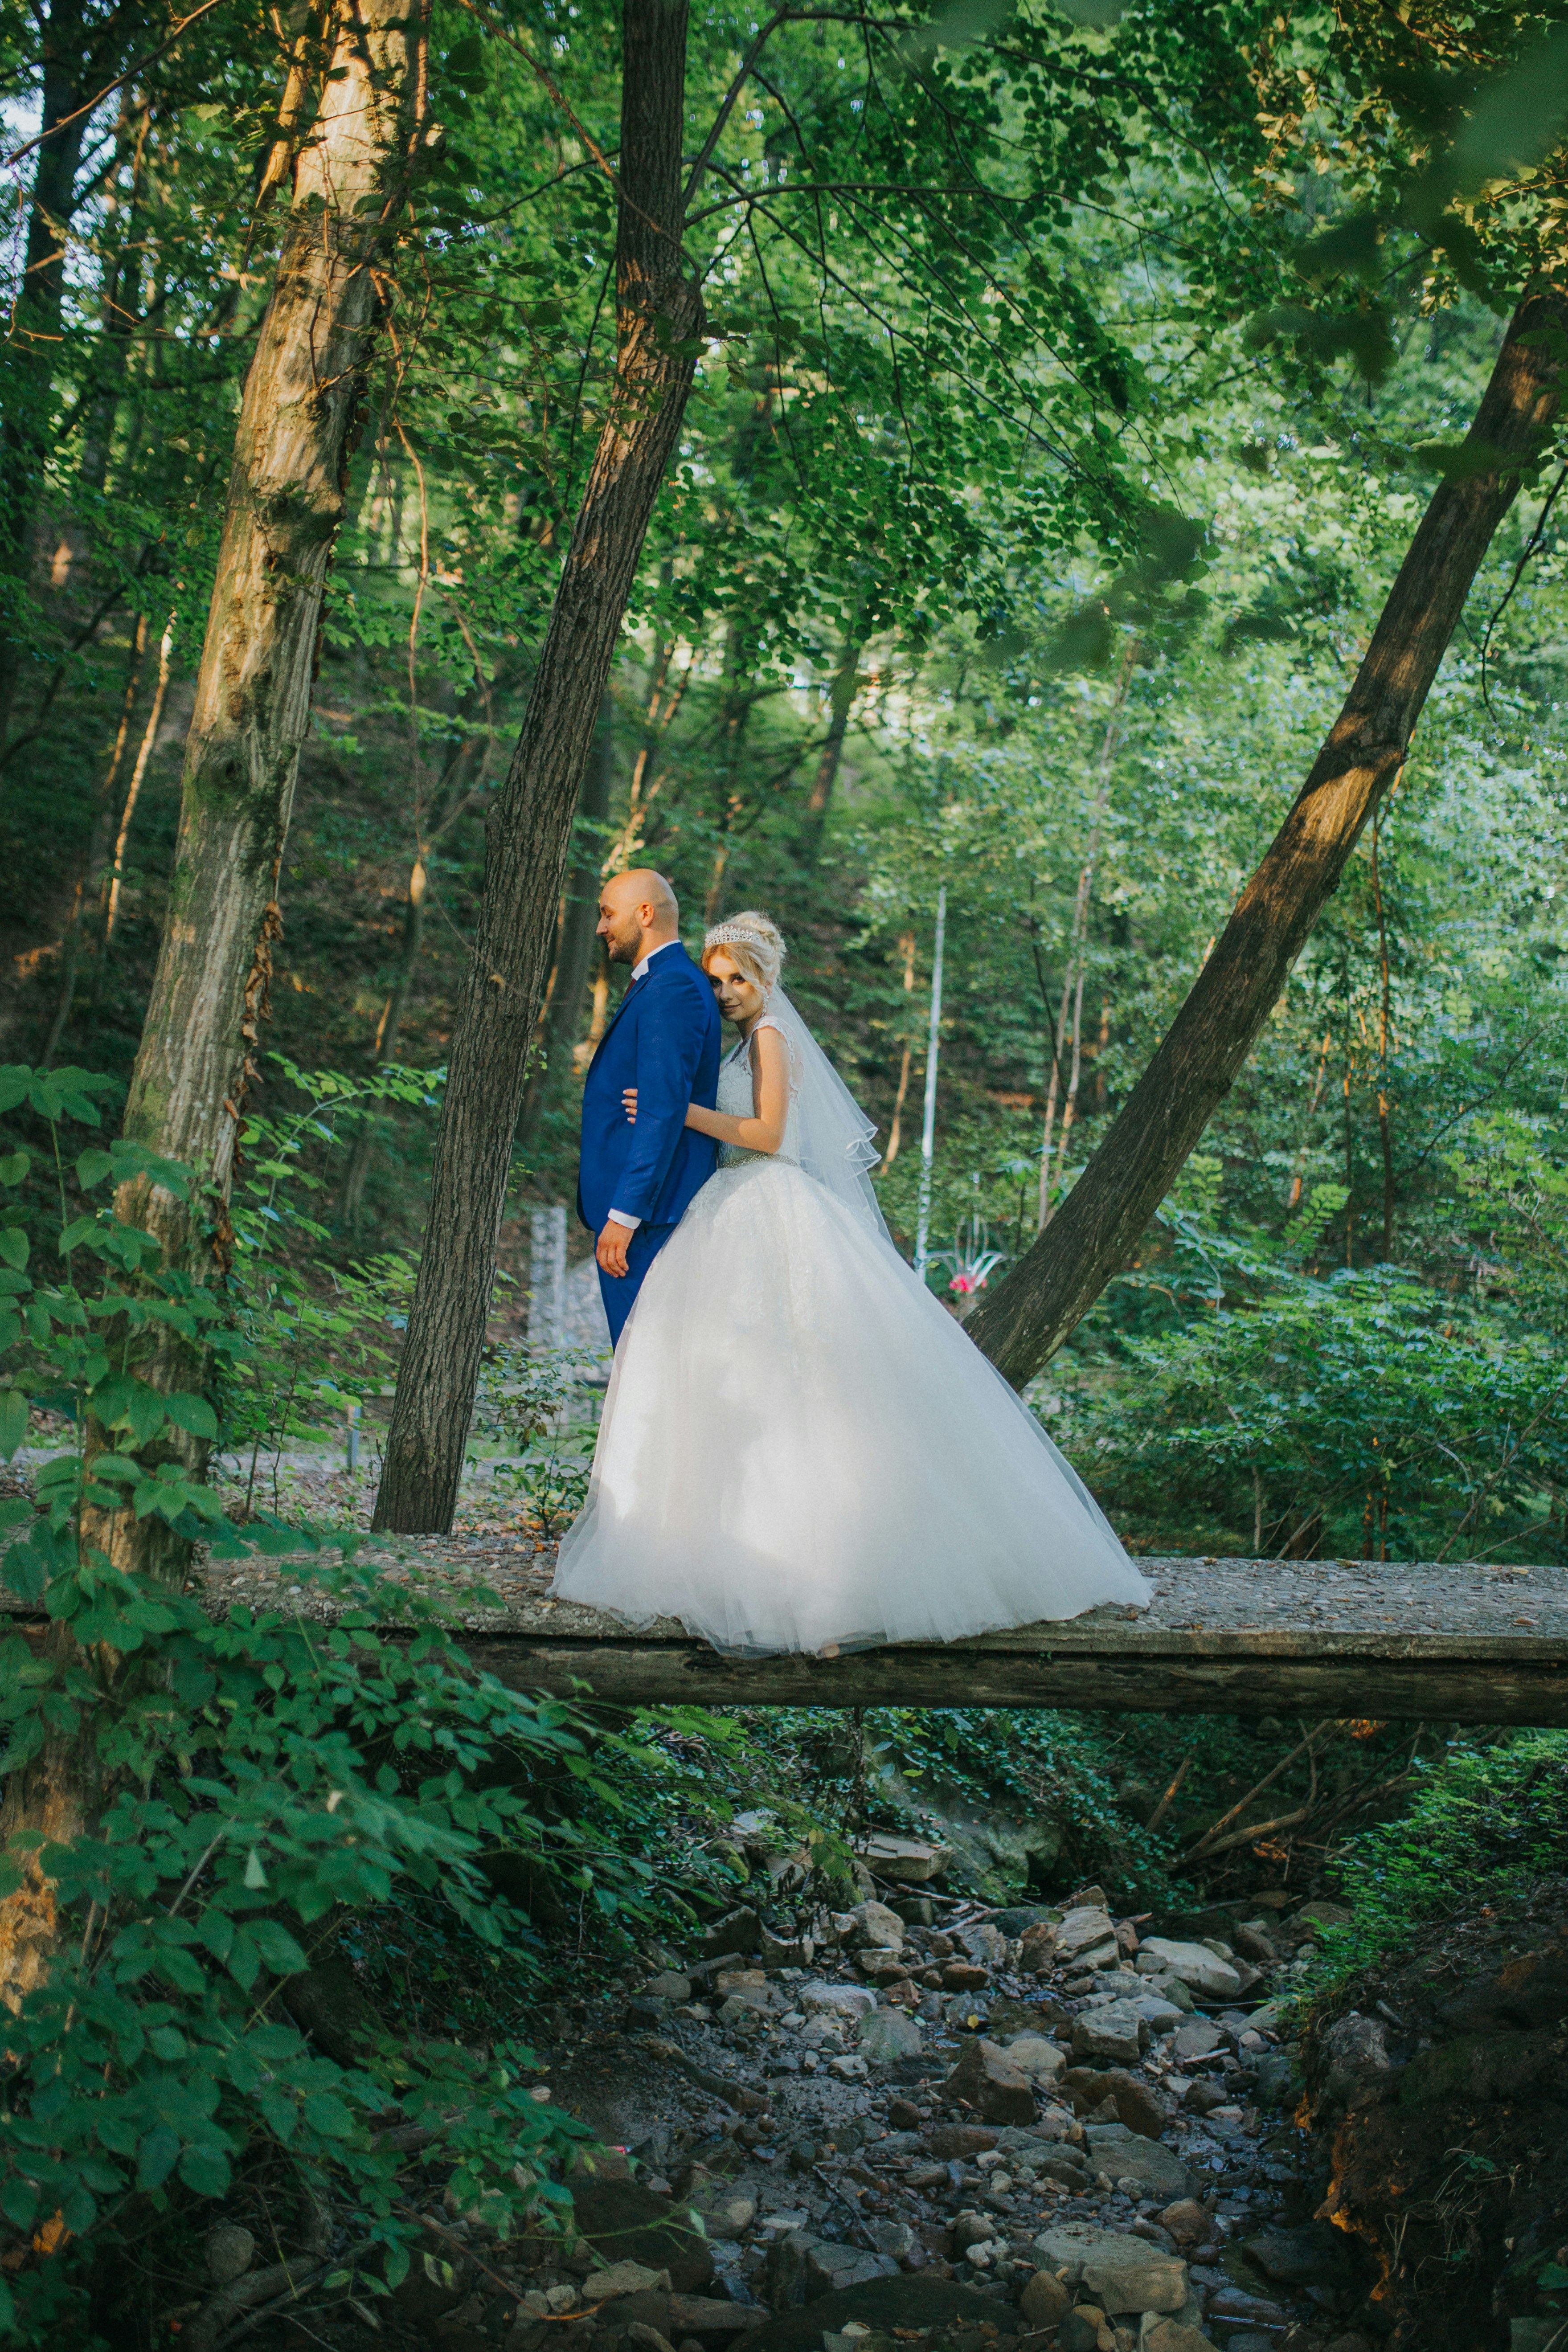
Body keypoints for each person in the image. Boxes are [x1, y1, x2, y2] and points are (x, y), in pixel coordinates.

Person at [553, 910, 1149, 1654]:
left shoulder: (769, 1037)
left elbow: (769, 1134)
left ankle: (820, 1585)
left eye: (740, 977)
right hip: (730, 1208)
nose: (728, 990)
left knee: (799, 1385)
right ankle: (739, 1557)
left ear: (768, 979)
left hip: (770, 1203)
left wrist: (679, 1114)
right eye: (716, 979)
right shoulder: (738, 1042)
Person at [576, 869, 722, 1346]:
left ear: (645, 913)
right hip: (644, 1215)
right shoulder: (662, 982)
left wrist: (624, 1215)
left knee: (644, 1365)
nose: (601, 927)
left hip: (647, 1220)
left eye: (608, 913)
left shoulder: (672, 987)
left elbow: (660, 1110)